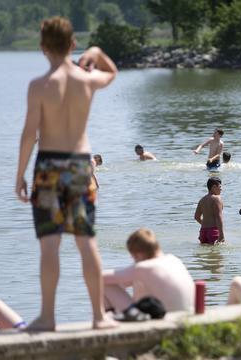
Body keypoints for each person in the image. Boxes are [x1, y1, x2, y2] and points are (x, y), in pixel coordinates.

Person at [14, 17, 118, 330]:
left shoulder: (38, 86)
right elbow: (112, 73)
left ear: (42, 47)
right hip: (80, 165)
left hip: (48, 167)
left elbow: (28, 133)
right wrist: (96, 52)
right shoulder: (87, 80)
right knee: (87, 243)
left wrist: (19, 175)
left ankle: (47, 317)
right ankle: (99, 317)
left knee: (49, 245)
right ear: (73, 44)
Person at [103, 228, 195, 313]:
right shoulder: (173, 259)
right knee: (138, 282)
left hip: (167, 320)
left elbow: (98, 276)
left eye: (132, 256)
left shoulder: (144, 267)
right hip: (186, 316)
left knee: (102, 284)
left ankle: (107, 317)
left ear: (138, 254)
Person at [194, 177, 225, 245]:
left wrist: (206, 225)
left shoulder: (202, 200)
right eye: (220, 187)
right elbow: (218, 217)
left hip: (203, 232)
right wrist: (221, 235)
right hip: (213, 232)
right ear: (214, 187)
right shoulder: (217, 199)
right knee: (216, 255)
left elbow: (196, 217)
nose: (221, 189)